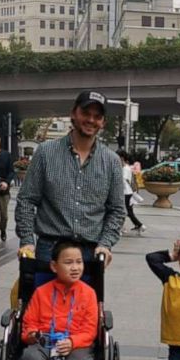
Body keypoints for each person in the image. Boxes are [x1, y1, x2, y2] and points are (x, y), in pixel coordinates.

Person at [15, 90, 125, 270]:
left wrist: (106, 243)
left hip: (90, 253)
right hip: (49, 250)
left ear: (103, 122)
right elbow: (26, 199)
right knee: (42, 299)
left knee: (88, 299)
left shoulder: (111, 161)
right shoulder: (46, 153)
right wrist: (27, 241)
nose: (91, 120)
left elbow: (117, 210)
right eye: (86, 113)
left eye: (97, 116)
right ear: (73, 113)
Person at [118, 150, 145, 235]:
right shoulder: (126, 167)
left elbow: (124, 181)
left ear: (122, 158)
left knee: (124, 211)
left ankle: (123, 228)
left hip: (125, 192)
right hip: (127, 192)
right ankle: (138, 225)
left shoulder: (125, 169)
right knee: (128, 211)